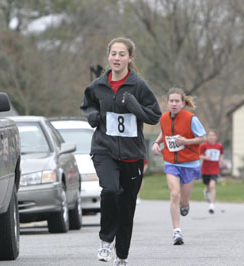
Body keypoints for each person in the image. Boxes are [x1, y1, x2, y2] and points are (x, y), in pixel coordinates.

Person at [80, 37, 161, 265]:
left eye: (122, 54)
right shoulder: (99, 85)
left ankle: (122, 256)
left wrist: (134, 106)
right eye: (113, 53)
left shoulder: (139, 85)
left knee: (127, 208)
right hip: (104, 149)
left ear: (130, 58)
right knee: (110, 191)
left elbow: (155, 115)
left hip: (132, 155)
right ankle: (105, 242)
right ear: (108, 56)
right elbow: (87, 105)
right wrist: (93, 116)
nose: (117, 58)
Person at [152, 87, 206, 245]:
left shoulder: (191, 119)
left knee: (183, 200)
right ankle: (176, 232)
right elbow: (165, 132)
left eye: (177, 101)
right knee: (174, 194)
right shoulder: (163, 118)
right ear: (167, 103)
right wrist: (156, 143)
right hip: (171, 162)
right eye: (171, 101)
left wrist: (186, 141)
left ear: (183, 103)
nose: (174, 104)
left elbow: (202, 138)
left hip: (190, 163)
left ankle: (185, 204)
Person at [200, 129, 224, 214]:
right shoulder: (204, 146)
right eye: (209, 135)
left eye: (213, 135)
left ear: (216, 137)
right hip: (205, 170)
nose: (211, 137)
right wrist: (205, 157)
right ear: (207, 137)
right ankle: (206, 192)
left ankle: (212, 205)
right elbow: (198, 155)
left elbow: (221, 154)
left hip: (215, 169)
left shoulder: (219, 146)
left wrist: (221, 160)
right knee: (208, 186)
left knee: (212, 185)